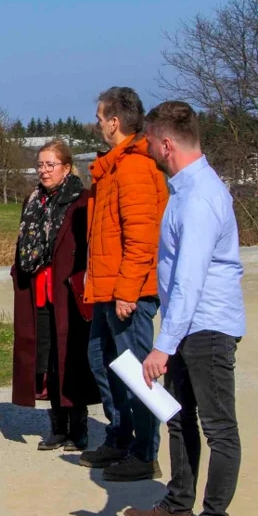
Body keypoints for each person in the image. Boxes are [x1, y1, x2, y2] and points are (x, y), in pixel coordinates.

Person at [125, 102, 245, 516]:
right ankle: (178, 506)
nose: (151, 151)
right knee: (177, 418)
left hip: (208, 327)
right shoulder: (184, 190)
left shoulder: (199, 197)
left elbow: (191, 277)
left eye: (152, 143)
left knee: (219, 429)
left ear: (167, 143)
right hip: (188, 325)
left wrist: (162, 346)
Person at [80, 87, 170, 481]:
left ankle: (144, 453)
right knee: (102, 362)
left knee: (137, 374)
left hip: (127, 293)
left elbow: (142, 237)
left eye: (100, 118)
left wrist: (128, 291)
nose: (97, 124)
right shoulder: (113, 167)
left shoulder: (133, 167)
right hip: (107, 289)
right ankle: (120, 436)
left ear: (115, 122)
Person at [11, 140, 98, 451]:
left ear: (66, 167)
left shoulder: (82, 200)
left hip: (70, 291)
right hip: (39, 291)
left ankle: (79, 427)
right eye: (40, 165)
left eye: (50, 164)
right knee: (46, 357)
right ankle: (57, 427)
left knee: (71, 356)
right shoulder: (33, 201)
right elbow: (24, 246)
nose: (44, 170)